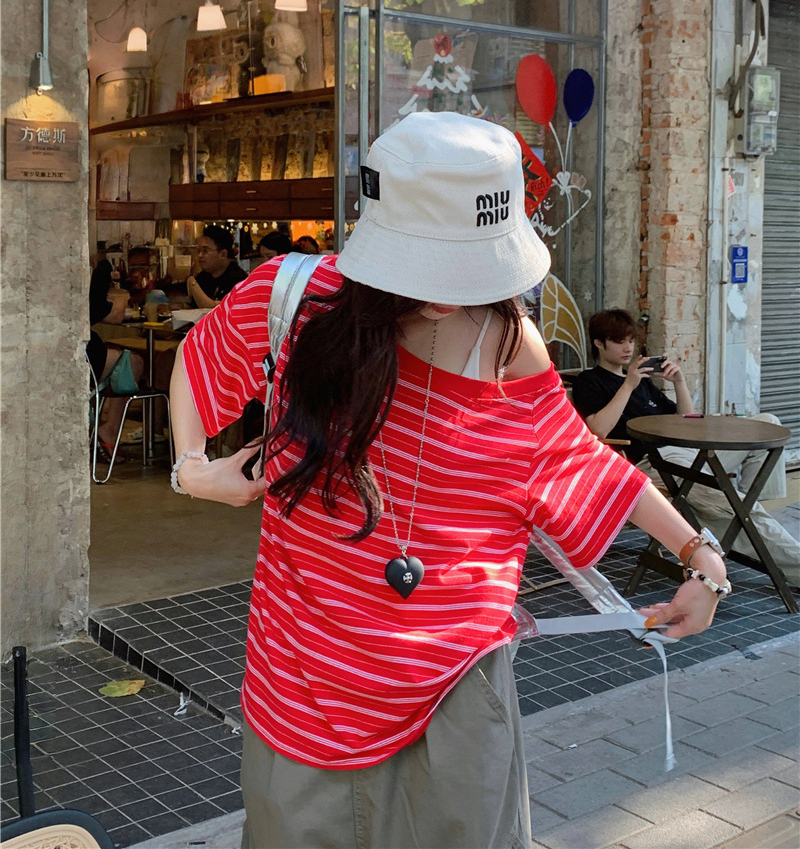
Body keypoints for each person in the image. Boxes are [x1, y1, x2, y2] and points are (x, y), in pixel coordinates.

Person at [170, 114, 726, 849]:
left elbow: (576, 460)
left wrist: (700, 558)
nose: (451, 290)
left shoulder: (509, 342)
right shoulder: (297, 299)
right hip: (300, 689)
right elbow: (200, 358)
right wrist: (192, 469)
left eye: (471, 264)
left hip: (458, 694)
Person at [572, 308, 799, 587]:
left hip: (688, 451)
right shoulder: (590, 381)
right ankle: (749, 518)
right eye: (619, 342)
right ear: (599, 343)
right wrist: (628, 385)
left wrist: (679, 382)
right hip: (655, 462)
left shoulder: (645, 384)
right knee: (732, 506)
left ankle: (746, 506)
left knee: (768, 422)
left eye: (631, 341)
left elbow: (687, 422)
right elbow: (598, 430)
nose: (628, 348)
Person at [87, 258, 144, 461]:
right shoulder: (95, 276)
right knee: (135, 362)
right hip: (86, 356)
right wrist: (122, 296)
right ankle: (109, 429)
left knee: (121, 354)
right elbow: (115, 315)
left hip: (77, 352)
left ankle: (94, 427)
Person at [186, 225, 247, 307]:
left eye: (205, 250)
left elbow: (214, 309)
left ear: (223, 254)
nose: (200, 255)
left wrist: (192, 282)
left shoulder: (239, 281)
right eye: (199, 251)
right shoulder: (204, 277)